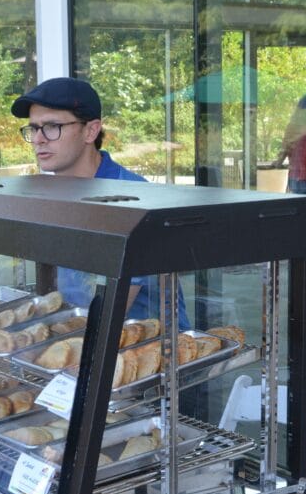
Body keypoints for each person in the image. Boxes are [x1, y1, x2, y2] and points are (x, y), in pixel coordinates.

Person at [11, 77, 189, 329]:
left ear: (91, 130)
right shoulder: (51, 194)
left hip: (150, 350)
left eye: (52, 126)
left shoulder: (131, 197)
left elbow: (111, 310)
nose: (39, 139)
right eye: (34, 128)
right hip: (80, 331)